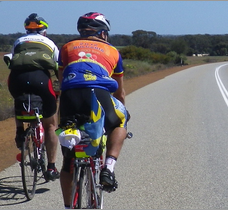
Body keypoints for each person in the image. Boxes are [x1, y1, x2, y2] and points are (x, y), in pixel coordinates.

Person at [56, 12, 129, 208]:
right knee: (121, 122)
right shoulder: (113, 51)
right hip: (98, 93)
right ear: (103, 33)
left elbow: (62, 81)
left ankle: (68, 206)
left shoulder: (67, 47)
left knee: (68, 161)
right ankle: (109, 168)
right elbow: (120, 92)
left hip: (70, 96)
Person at [7, 13, 61, 181]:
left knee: (19, 101)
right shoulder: (50, 43)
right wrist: (61, 86)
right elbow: (59, 66)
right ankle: (51, 167)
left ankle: (20, 132)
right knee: (51, 125)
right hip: (41, 80)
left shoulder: (19, 41)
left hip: (17, 80)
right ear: (43, 31)